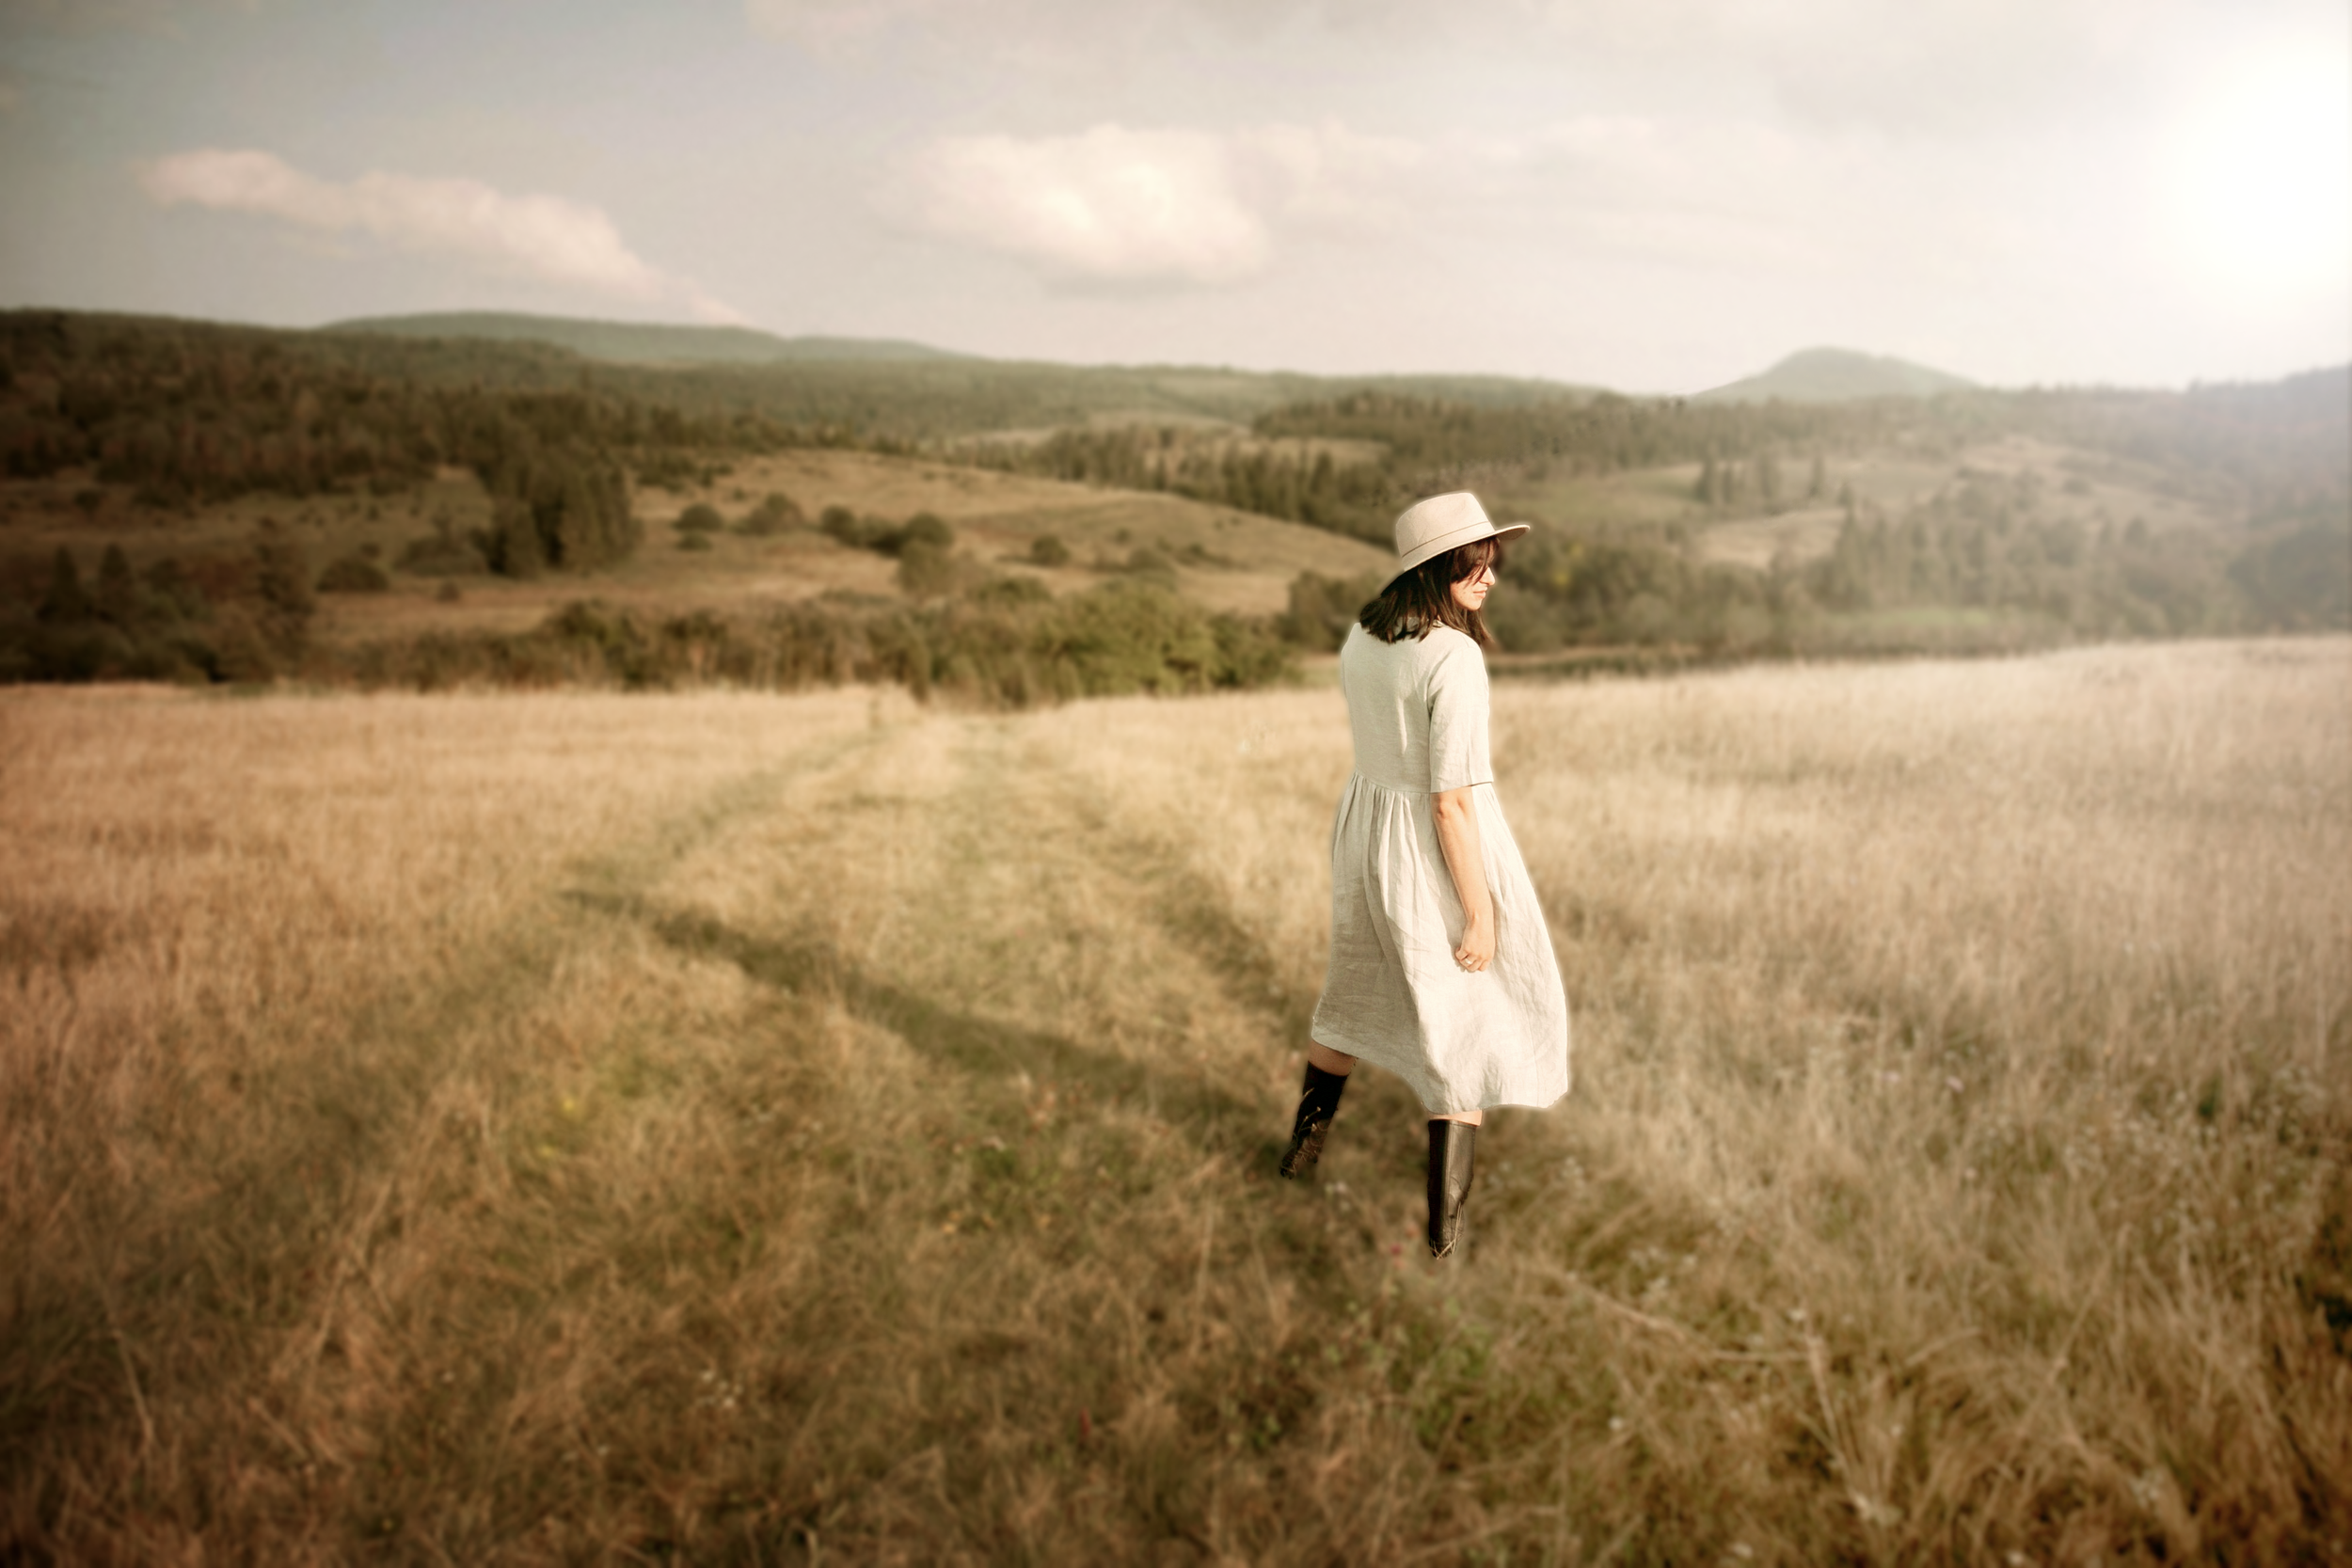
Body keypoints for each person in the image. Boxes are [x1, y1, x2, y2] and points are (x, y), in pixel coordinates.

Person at [1280, 492, 1571, 1259]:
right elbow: (1449, 802)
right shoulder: (1454, 655)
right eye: (1479, 561)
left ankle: (1298, 1159)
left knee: (1348, 993)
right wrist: (1479, 910)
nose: (1491, 576)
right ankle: (1445, 1242)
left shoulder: (1362, 636)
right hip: (1427, 845)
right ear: (1443, 564)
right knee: (1465, 1024)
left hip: (1364, 834)